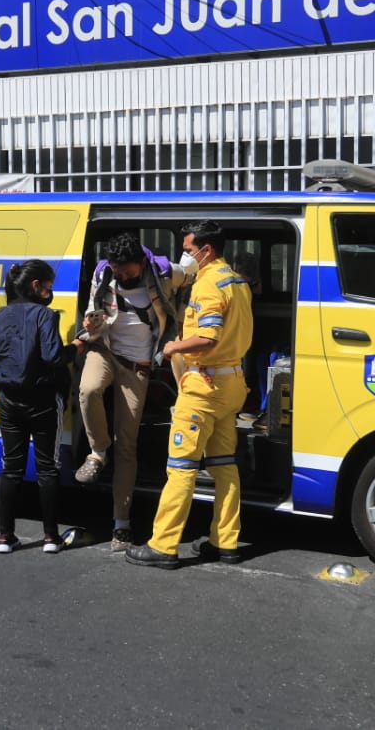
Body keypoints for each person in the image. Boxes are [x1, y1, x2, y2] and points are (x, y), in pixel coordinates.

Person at [126, 220, 253, 570]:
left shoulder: (209, 284)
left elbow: (207, 338)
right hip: (231, 384)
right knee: (225, 465)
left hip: (203, 388)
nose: (185, 254)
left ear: (206, 250)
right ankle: (225, 542)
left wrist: (172, 347)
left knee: (181, 468)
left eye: (187, 248)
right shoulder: (237, 280)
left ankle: (163, 545)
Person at [72, 231, 189, 551]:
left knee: (128, 445)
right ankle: (97, 453)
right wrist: (87, 330)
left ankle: (121, 524)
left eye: (127, 271)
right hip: (105, 351)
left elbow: (192, 274)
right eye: (117, 270)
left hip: (138, 365)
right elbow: (93, 312)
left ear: (142, 262)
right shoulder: (103, 273)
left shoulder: (165, 273)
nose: (121, 275)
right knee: (88, 389)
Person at [0, 259, 78, 554]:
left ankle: (4, 537)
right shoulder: (44, 315)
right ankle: (51, 537)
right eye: (49, 285)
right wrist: (78, 346)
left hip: (8, 402)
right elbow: (53, 357)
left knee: (11, 469)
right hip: (42, 403)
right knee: (47, 469)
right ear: (36, 286)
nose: (52, 291)